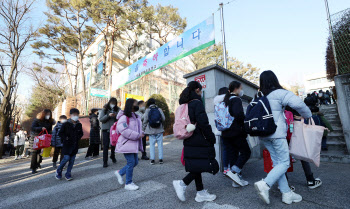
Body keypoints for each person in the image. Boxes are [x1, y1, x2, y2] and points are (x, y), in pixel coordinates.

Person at [254, 70, 312, 205]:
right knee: (285, 162)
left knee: (277, 164)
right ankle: (265, 184)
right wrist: (308, 115)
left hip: (263, 134)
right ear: (274, 80)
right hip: (277, 134)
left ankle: (286, 194)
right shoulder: (280, 93)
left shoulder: (258, 96)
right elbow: (298, 104)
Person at [173, 81, 219, 203]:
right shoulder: (197, 103)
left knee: (196, 164)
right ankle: (182, 183)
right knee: (202, 164)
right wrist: (211, 137)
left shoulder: (185, 105)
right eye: (201, 90)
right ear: (197, 90)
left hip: (189, 138)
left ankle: (200, 192)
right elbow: (203, 123)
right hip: (199, 138)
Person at [222, 81, 251, 187]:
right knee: (246, 152)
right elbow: (238, 114)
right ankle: (233, 172)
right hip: (236, 132)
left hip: (226, 133)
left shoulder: (225, 100)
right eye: (241, 88)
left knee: (233, 155)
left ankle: (236, 181)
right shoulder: (236, 99)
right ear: (236, 89)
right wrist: (245, 118)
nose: (241, 90)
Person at [114, 99, 144, 191]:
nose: (137, 106)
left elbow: (138, 128)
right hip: (126, 143)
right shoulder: (124, 117)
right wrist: (137, 135)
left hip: (133, 143)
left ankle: (120, 172)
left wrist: (141, 133)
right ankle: (128, 183)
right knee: (131, 162)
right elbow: (123, 130)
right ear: (130, 106)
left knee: (135, 162)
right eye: (135, 104)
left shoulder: (136, 116)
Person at [55, 108, 84, 181]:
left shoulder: (79, 124)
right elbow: (60, 133)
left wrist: (78, 137)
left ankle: (68, 173)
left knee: (72, 160)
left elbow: (81, 133)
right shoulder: (65, 124)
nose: (76, 116)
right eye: (74, 115)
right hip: (67, 145)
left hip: (75, 145)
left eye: (77, 115)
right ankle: (59, 170)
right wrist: (66, 138)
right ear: (70, 115)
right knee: (66, 158)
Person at [214, 87, 232, 176]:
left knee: (225, 149)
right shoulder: (229, 101)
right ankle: (230, 168)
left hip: (221, 130)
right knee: (232, 149)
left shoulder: (216, 103)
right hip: (230, 129)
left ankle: (225, 169)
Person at [30, 109, 55, 174]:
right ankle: (33, 167)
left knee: (41, 152)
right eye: (47, 114)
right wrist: (40, 128)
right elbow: (32, 127)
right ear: (43, 114)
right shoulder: (37, 120)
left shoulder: (50, 121)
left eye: (49, 115)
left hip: (44, 139)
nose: (48, 116)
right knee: (35, 153)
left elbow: (49, 130)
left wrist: (50, 136)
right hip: (36, 138)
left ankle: (38, 163)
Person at [142, 98, 165, 165]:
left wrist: (143, 129)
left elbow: (145, 121)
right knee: (160, 145)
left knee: (152, 145)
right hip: (159, 130)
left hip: (151, 131)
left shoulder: (147, 110)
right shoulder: (159, 109)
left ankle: (152, 160)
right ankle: (160, 159)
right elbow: (163, 118)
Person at [99, 97, 120, 167]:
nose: (113, 105)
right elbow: (101, 119)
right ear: (109, 103)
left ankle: (112, 156)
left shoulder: (118, 109)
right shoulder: (104, 109)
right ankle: (105, 161)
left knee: (113, 144)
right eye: (111, 103)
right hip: (106, 130)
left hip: (114, 130)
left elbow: (121, 117)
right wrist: (108, 115)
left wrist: (115, 115)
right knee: (105, 146)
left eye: (114, 103)